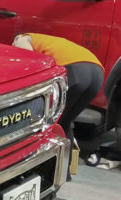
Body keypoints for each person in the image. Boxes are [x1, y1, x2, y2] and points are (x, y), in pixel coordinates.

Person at [12, 33, 104, 172]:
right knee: (64, 121)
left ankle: (39, 169)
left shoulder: (22, 38)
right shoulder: (45, 40)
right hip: (97, 73)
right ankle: (65, 170)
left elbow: (29, 65)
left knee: (46, 121)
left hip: (75, 69)